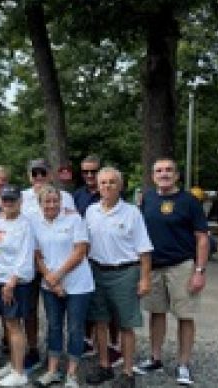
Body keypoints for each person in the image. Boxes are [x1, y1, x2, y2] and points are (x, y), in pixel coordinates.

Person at [135, 158, 209, 386]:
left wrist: (199, 271)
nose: (164, 173)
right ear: (153, 175)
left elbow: (202, 238)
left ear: (177, 175)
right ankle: (155, 358)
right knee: (156, 313)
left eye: (169, 170)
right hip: (153, 266)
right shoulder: (146, 199)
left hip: (182, 266)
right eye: (159, 170)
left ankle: (183, 364)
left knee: (185, 316)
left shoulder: (189, 201)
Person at [84, 167, 153, 388]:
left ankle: (127, 371)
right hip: (97, 271)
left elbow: (144, 250)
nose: (107, 186)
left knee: (126, 324)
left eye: (112, 182)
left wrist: (144, 278)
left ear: (120, 186)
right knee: (100, 322)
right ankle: (105, 365)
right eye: (103, 182)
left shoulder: (132, 212)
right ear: (98, 186)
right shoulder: (91, 211)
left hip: (125, 272)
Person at [31, 185, 93, 388]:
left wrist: (57, 275)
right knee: (54, 326)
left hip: (77, 285)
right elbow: (36, 255)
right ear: (40, 204)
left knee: (75, 328)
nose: (51, 205)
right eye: (46, 201)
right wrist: (50, 278)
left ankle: (72, 373)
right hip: (50, 285)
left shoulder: (74, 219)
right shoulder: (35, 223)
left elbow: (80, 251)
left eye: (54, 201)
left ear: (61, 202)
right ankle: (52, 370)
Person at [20, 158, 77, 372]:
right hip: (30, 263)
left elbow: (74, 228)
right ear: (29, 176)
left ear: (50, 174)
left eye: (43, 173)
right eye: (34, 173)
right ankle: (33, 349)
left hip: (57, 265)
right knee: (30, 310)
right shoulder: (23, 197)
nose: (39, 177)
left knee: (60, 313)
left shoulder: (66, 198)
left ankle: (61, 354)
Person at [72, 155, 122, 366]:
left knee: (113, 308)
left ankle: (115, 345)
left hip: (112, 259)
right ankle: (90, 342)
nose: (90, 175)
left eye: (94, 171)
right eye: (86, 172)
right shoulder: (78, 196)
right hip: (87, 257)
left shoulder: (114, 195)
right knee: (93, 304)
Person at [0, 185, 36, 387]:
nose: (8, 203)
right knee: (7, 323)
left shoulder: (25, 225)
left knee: (14, 325)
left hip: (14, 282)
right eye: (5, 200)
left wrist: (12, 282)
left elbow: (25, 256)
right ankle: (13, 362)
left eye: (12, 200)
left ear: (20, 202)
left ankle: (19, 371)